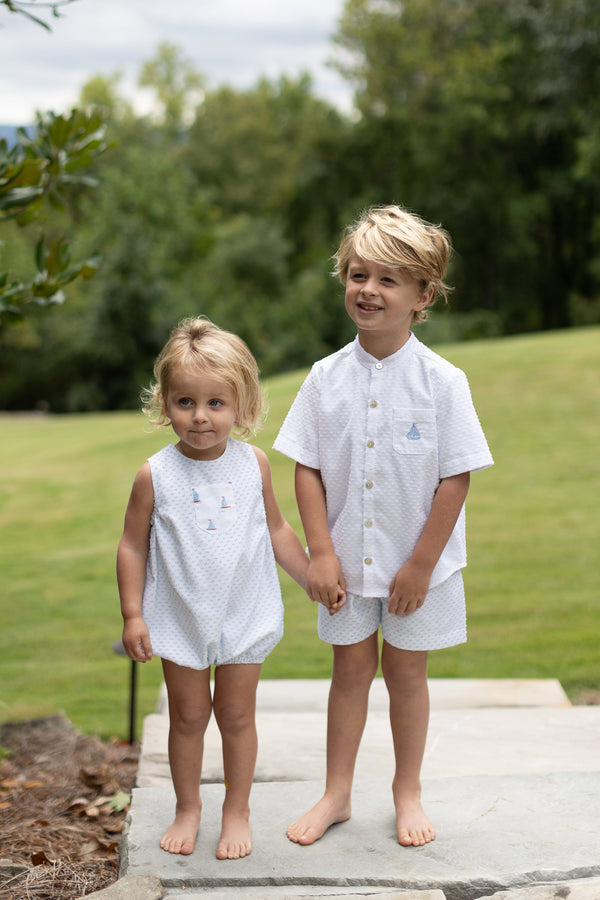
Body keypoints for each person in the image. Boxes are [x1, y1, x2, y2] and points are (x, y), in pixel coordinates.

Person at [274, 205, 493, 848]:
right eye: (358, 275)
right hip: (344, 565)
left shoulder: (444, 383)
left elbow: (455, 477)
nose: (368, 290)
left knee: (406, 675)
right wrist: (319, 553)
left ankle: (407, 791)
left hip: (416, 569)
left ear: (423, 296)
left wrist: (421, 564)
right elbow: (307, 468)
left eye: (388, 280)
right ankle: (336, 793)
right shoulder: (323, 379)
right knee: (349, 673)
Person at [117, 316, 313, 861]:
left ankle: (237, 808)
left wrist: (310, 576)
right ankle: (188, 807)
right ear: (165, 403)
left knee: (236, 714)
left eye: (215, 404)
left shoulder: (253, 464)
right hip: (178, 615)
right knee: (187, 716)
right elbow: (132, 546)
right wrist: (134, 615)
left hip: (243, 612)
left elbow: (276, 528)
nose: (200, 417)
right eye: (185, 402)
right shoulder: (154, 475)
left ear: (241, 405)